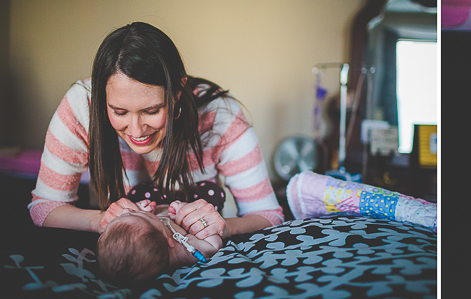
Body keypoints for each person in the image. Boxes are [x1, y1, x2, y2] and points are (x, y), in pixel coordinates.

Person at [29, 22, 284, 242]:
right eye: (119, 112)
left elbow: (268, 214)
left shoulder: (221, 117)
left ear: (177, 93)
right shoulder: (80, 108)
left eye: (151, 111)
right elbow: (45, 207)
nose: (137, 130)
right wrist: (99, 221)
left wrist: (227, 226)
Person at [96, 198, 222, 284]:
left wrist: (139, 209)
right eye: (135, 214)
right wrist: (185, 211)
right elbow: (213, 245)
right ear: (169, 241)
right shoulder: (183, 250)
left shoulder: (142, 234)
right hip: (183, 205)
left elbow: (131, 226)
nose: (125, 210)